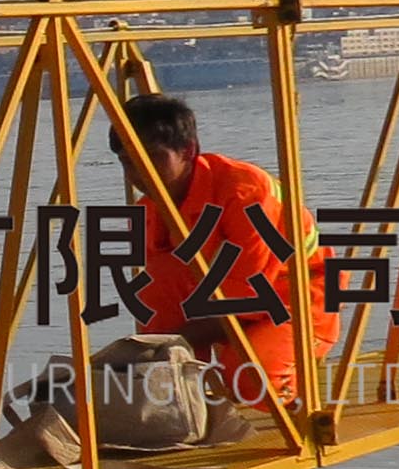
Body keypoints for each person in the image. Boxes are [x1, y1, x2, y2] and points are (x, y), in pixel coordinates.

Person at [113, 92, 329, 405]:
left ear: (188, 151)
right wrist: (151, 356)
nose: (139, 174)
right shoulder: (148, 213)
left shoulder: (244, 191)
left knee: (250, 381)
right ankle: (185, 398)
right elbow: (161, 299)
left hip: (296, 296)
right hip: (226, 301)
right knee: (159, 284)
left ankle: (290, 388)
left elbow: (249, 291)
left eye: (153, 158)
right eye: (128, 164)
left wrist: (177, 343)